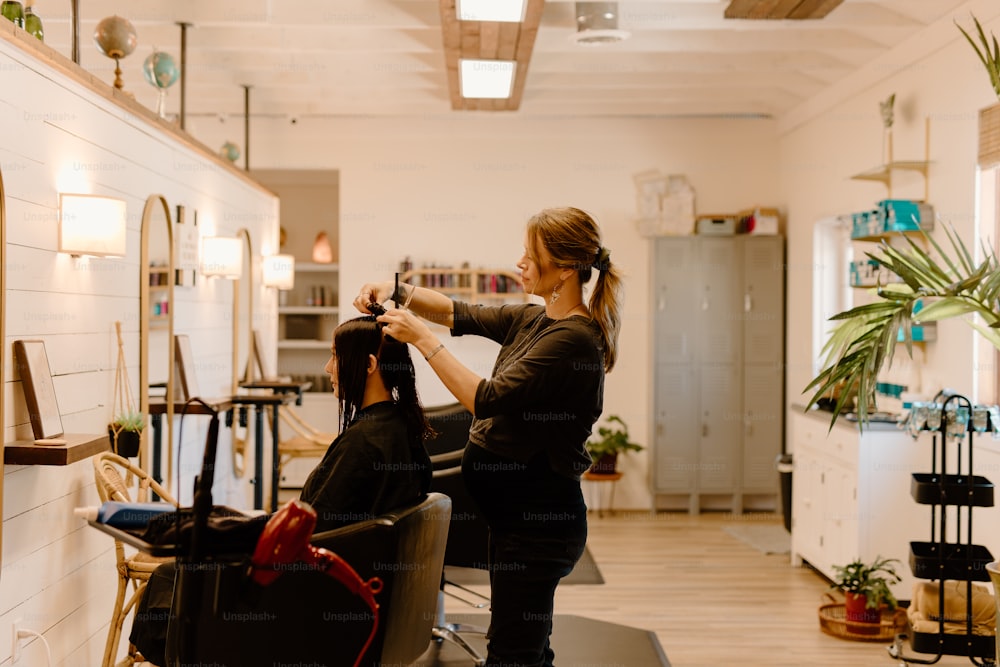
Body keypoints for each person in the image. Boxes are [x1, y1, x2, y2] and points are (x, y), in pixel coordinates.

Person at [355, 206, 623, 667]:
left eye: (530, 254)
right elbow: (460, 312)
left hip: (540, 528)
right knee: (527, 649)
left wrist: (420, 338)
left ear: (562, 269)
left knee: (512, 655)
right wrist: (395, 289)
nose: (519, 262)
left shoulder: (573, 340)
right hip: (514, 523)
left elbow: (487, 397)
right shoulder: (533, 320)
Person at [129, 313, 433, 666]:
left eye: (336, 356)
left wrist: (230, 531)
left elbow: (310, 535)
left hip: (310, 595)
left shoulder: (365, 442)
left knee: (172, 574)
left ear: (368, 365)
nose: (327, 367)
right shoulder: (400, 427)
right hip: (345, 585)